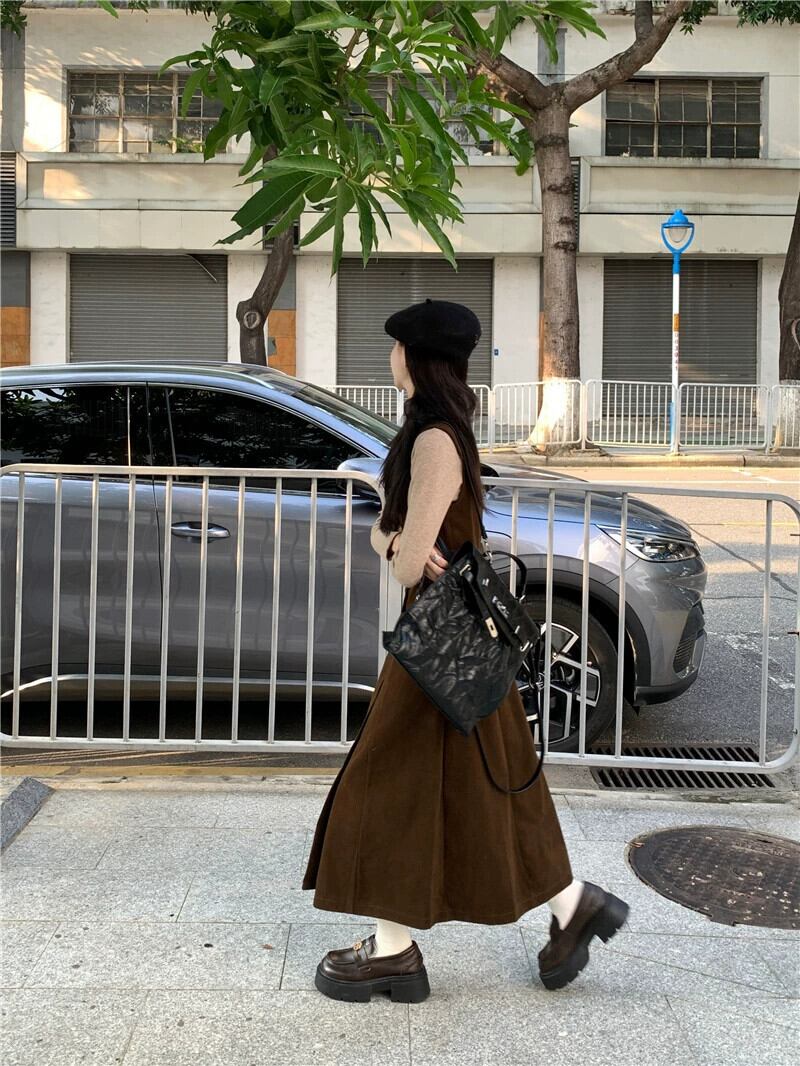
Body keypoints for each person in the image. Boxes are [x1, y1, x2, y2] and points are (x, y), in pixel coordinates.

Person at [301, 298, 630, 1003]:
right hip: (462, 637)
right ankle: (571, 905)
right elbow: (397, 536)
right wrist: (397, 537)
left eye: (396, 347)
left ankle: (394, 952)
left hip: (438, 641)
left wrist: (396, 540)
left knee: (383, 782)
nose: (389, 357)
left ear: (417, 358)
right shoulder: (438, 433)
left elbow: (404, 559)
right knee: (492, 779)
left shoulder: (433, 442)